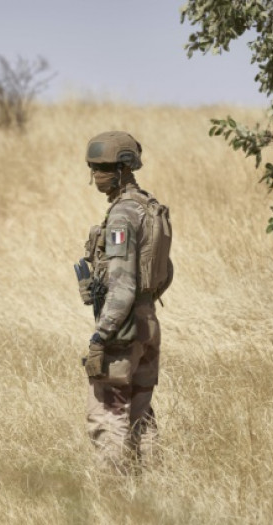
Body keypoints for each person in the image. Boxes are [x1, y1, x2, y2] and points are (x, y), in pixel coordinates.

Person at [75, 131, 171, 474]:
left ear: (124, 168)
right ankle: (151, 487)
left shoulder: (122, 216)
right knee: (140, 414)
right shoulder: (151, 208)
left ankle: (113, 496)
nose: (96, 175)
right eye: (93, 167)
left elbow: (124, 287)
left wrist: (101, 337)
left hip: (124, 327)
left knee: (109, 414)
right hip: (148, 322)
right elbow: (164, 272)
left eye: (103, 167)